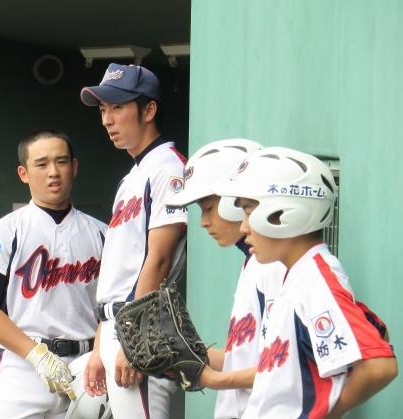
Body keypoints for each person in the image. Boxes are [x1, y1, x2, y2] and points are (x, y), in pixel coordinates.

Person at [211, 146, 397, 418]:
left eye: (250, 212)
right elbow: (377, 329)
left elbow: (379, 366)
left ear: (284, 214)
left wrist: (326, 412)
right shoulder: (298, 275)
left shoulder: (315, 278)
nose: (243, 227)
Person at [0, 128, 107, 418]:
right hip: (24, 365)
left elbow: (111, 307)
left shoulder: (103, 234)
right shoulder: (5, 231)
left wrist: (101, 355)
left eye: (62, 162)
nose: (53, 172)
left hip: (88, 365)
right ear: (23, 173)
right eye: (41, 164)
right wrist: (35, 355)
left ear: (74, 167)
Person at [80, 63, 187, 418]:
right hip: (115, 326)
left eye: (117, 107)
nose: (107, 119)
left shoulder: (167, 168)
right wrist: (99, 346)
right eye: (102, 110)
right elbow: (119, 269)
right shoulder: (132, 176)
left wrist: (133, 339)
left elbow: (159, 259)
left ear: (149, 109)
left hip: (139, 325)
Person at [165, 139, 284, 418]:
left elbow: (284, 368)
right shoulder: (255, 262)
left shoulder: (275, 266)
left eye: (207, 208)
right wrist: (181, 356)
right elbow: (242, 360)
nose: (203, 222)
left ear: (235, 201)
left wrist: (210, 379)